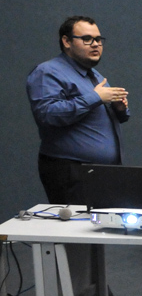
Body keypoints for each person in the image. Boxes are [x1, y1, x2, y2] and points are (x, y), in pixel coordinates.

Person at [29, 16, 130, 205]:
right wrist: (96, 97)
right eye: (87, 39)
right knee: (78, 230)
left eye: (98, 40)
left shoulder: (93, 74)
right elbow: (47, 114)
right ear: (66, 41)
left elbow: (100, 115)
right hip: (71, 171)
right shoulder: (47, 72)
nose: (95, 45)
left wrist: (119, 109)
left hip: (102, 172)